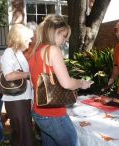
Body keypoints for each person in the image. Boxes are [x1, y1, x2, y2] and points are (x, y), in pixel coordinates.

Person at [28, 14, 94, 146]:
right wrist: (82, 83)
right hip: (54, 114)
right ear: (54, 32)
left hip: (38, 112)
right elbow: (66, 83)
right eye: (64, 36)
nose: (65, 41)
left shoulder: (35, 51)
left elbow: (32, 82)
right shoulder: (53, 50)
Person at [0, 24, 34, 146]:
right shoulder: (9, 52)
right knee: (25, 136)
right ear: (20, 38)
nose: (30, 41)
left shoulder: (18, 53)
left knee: (19, 136)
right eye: (28, 38)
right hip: (16, 101)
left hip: (20, 99)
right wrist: (29, 74)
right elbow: (8, 75)